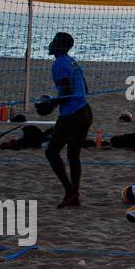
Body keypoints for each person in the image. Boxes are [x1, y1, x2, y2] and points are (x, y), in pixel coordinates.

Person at [38, 31, 92, 208]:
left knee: (52, 152)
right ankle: (73, 196)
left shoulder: (60, 64)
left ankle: (70, 192)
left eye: (53, 41)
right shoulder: (72, 61)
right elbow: (85, 88)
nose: (50, 44)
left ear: (59, 45)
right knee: (73, 155)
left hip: (72, 115)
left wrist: (51, 103)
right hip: (84, 111)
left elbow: (68, 93)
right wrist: (55, 99)